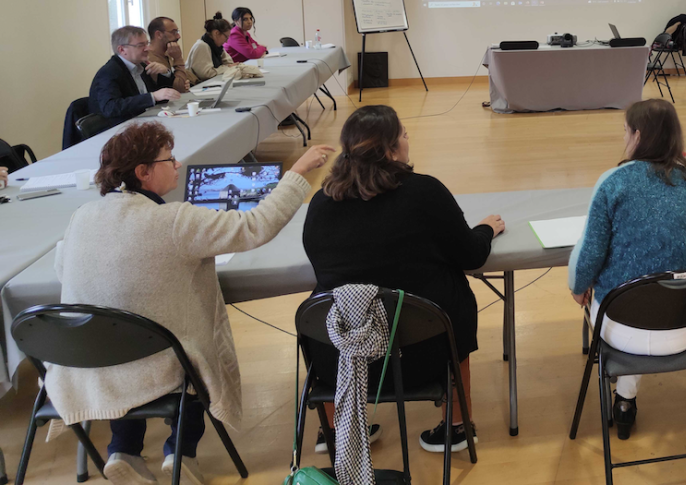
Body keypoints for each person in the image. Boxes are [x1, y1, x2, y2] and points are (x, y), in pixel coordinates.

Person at [48, 122, 332, 485]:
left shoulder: (82, 216)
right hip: (159, 361)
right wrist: (296, 173)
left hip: (90, 360)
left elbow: (62, 269)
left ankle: (123, 450)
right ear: (143, 172)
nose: (178, 165)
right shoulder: (174, 220)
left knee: (120, 338)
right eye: (170, 159)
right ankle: (182, 453)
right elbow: (255, 226)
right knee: (192, 350)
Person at [302, 105, 505, 455]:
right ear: (391, 151)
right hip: (427, 349)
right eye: (404, 135)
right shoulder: (425, 193)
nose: (409, 140)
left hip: (349, 352)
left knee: (320, 305)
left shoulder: (321, 204)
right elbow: (471, 256)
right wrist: (485, 228)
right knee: (451, 296)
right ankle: (456, 425)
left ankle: (336, 430)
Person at [568, 99, 686, 440]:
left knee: (615, 290)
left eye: (625, 131)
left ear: (637, 135)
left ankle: (624, 398)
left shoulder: (614, 182)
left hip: (623, 326)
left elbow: (590, 255)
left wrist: (578, 288)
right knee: (656, 286)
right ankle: (625, 399)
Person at [89, 26, 181, 129]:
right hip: (119, 131)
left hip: (143, 124)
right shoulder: (109, 72)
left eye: (147, 43)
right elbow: (110, 108)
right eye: (141, 45)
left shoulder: (141, 66)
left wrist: (165, 73)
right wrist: (153, 96)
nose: (148, 48)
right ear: (122, 49)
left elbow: (163, 99)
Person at [186, 13, 236, 83]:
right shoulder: (202, 46)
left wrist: (227, 67)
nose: (227, 41)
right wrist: (226, 67)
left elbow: (231, 63)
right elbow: (207, 74)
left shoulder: (217, 46)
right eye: (226, 37)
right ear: (216, 33)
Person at [146, 16, 190, 93]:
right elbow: (179, 87)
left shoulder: (167, 53)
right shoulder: (149, 59)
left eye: (177, 32)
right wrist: (178, 58)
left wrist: (184, 82)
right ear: (159, 34)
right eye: (174, 32)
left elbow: (180, 83)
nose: (178, 36)